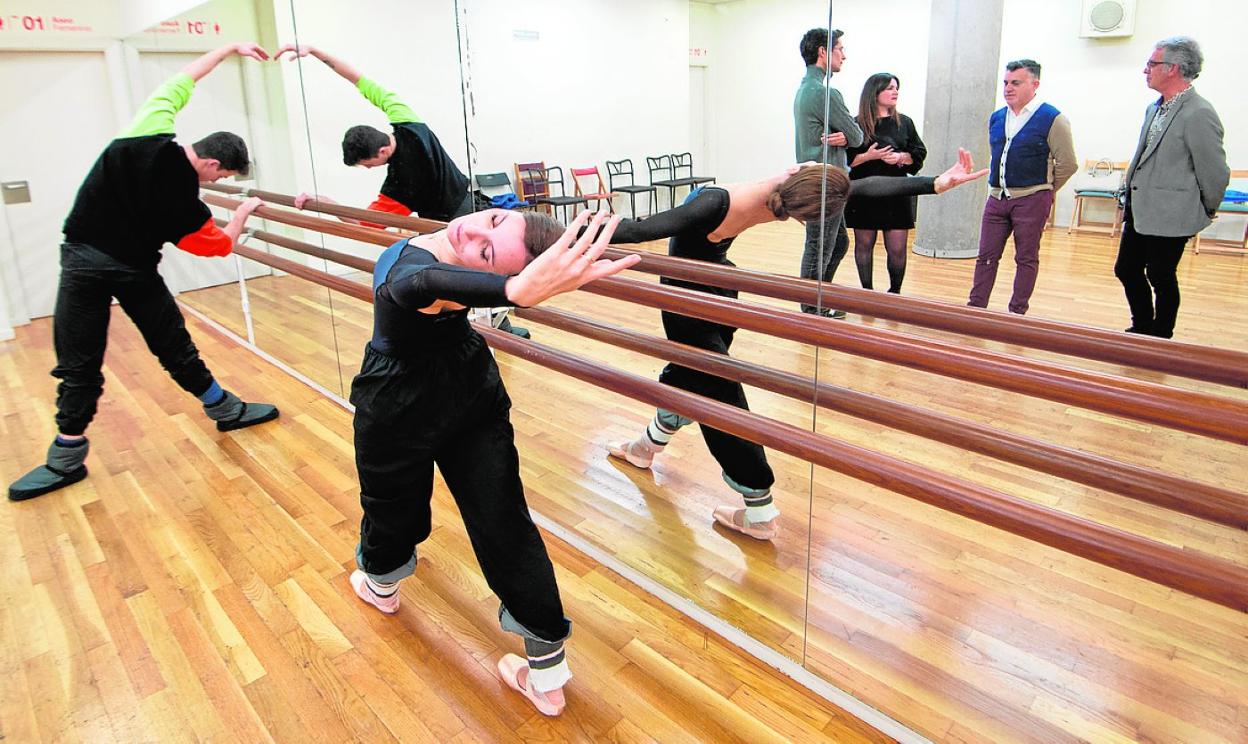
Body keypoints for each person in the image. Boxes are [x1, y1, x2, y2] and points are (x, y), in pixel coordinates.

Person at [606, 152, 987, 541]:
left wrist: (554, 235)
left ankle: (759, 508)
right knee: (693, 376)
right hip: (715, 291)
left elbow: (640, 229)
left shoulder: (726, 200)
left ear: (794, 172)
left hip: (692, 300)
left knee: (717, 393)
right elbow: (864, 187)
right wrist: (934, 183)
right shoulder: (780, 202)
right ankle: (646, 446)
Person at [350, 206, 638, 716]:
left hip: (403, 399)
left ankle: (381, 583)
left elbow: (414, 281)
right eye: (496, 222)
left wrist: (513, 292)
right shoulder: (461, 235)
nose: (473, 231)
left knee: (409, 503)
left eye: (484, 254)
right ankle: (547, 674)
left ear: (486, 278)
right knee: (496, 514)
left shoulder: (408, 269)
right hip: (467, 381)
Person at [8, 43, 279, 502]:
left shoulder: (146, 131)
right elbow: (221, 245)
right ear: (212, 163)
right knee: (172, 349)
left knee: (79, 363)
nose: (213, 183)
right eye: (219, 177)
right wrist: (245, 210)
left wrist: (229, 48)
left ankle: (65, 460)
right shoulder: (184, 202)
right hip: (130, 270)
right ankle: (224, 410)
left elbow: (184, 79)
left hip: (81, 260)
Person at [277, 44, 472, 224]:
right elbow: (358, 79)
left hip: (449, 226)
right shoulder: (409, 122)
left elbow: (363, 222)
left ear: (382, 151)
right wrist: (314, 51)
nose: (369, 169)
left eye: (368, 164)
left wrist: (327, 203)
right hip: (473, 205)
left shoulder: (399, 185)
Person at [1116, 37, 1228, 339]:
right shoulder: (1155, 109)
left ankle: (1161, 336)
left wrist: (1206, 207)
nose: (1145, 70)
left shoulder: (1198, 112)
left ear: (1173, 69)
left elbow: (1215, 169)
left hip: (1172, 213)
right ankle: (1142, 327)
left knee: (1161, 275)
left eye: (1152, 64)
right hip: (1140, 209)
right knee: (1126, 269)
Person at [966, 59, 1076, 315]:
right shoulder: (997, 117)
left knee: (1025, 258)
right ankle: (975, 308)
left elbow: (1068, 163)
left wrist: (1044, 191)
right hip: (996, 198)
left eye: (1016, 83)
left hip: (1032, 199)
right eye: (1006, 83)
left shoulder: (1053, 118)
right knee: (986, 256)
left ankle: (1017, 311)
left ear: (1034, 84)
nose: (1008, 88)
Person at [793, 27, 862, 317]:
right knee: (819, 245)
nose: (844, 55)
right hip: (826, 181)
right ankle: (812, 308)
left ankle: (819, 298)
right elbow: (858, 136)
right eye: (839, 49)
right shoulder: (825, 94)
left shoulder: (804, 89)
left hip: (819, 178)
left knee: (838, 242)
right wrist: (849, 136)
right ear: (823, 52)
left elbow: (849, 136)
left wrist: (844, 137)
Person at [845, 73, 927, 293]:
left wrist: (901, 158)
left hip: (896, 193)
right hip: (864, 193)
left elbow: (918, 153)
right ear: (875, 92)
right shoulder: (856, 125)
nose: (895, 92)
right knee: (863, 246)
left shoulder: (905, 123)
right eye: (890, 88)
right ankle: (867, 293)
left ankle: (895, 293)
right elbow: (847, 160)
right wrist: (869, 156)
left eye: (896, 88)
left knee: (898, 249)